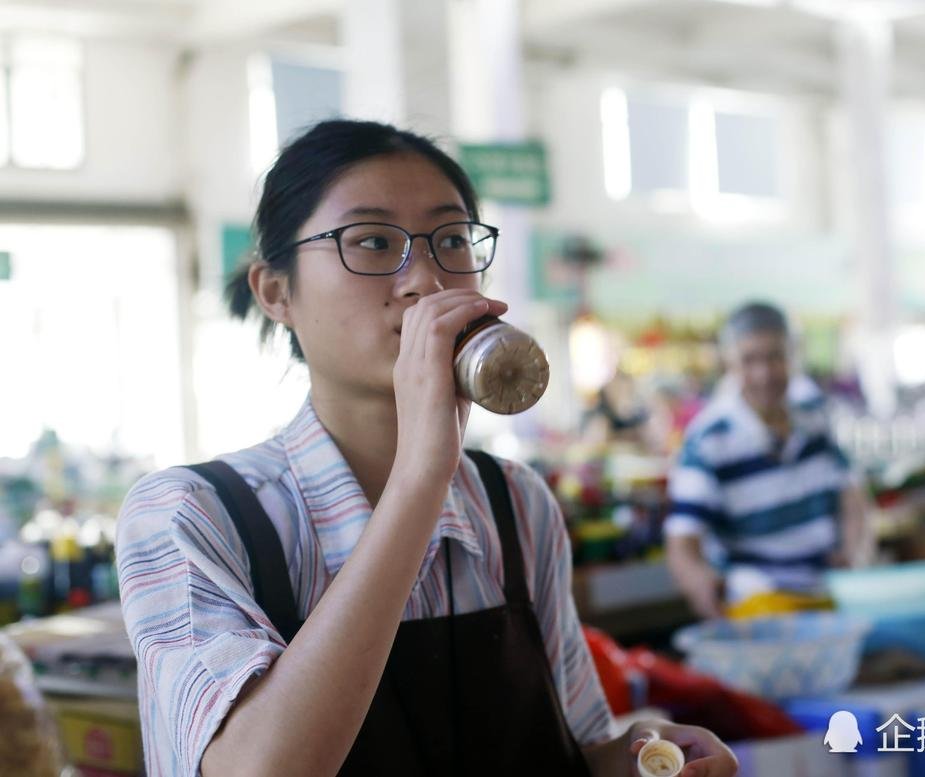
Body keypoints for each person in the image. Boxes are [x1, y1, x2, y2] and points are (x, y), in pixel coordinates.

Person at [116, 120, 737, 777]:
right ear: (276, 291)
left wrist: (640, 759)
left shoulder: (515, 501)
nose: (425, 281)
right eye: (373, 241)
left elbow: (571, 752)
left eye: (450, 240)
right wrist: (419, 477)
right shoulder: (189, 515)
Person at [664, 302, 872, 619]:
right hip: (759, 605)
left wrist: (855, 551)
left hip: (829, 594)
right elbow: (682, 539)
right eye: (750, 360)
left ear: (793, 356)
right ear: (729, 363)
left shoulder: (815, 414)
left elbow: (852, 495)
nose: (765, 374)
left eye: (776, 357)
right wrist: (700, 584)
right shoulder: (708, 440)